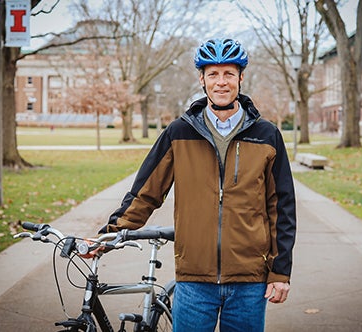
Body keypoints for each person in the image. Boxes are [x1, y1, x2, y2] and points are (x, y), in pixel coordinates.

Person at [99, 38, 297, 332]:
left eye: (228, 74)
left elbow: (282, 207)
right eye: (213, 74)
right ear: (201, 79)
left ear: (241, 78)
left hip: (249, 281)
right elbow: (145, 193)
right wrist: (107, 236)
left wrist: (280, 272)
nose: (221, 82)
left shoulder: (267, 135)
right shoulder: (180, 132)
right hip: (193, 281)